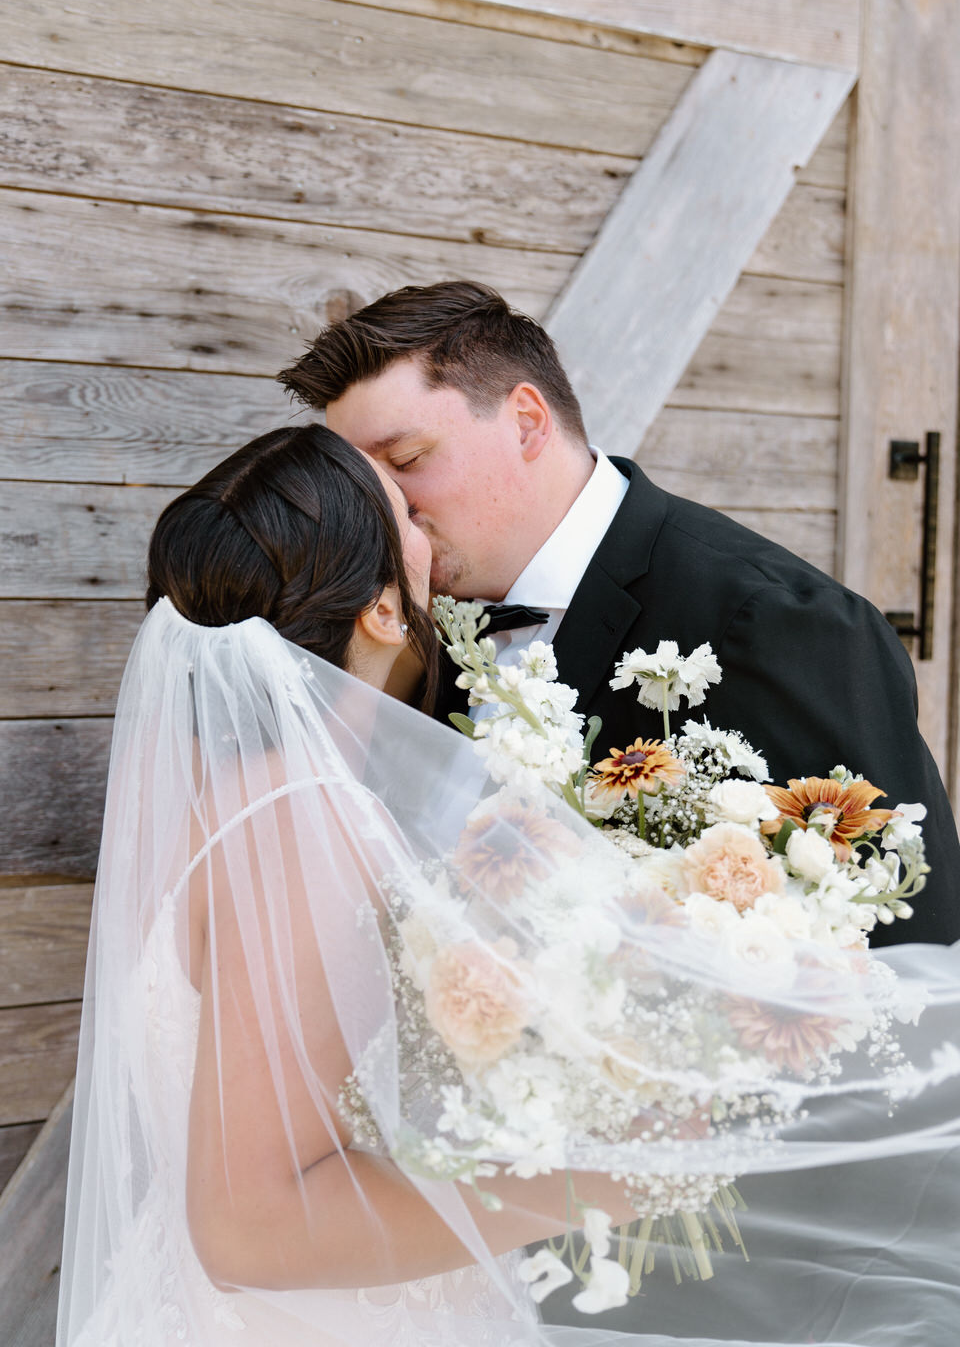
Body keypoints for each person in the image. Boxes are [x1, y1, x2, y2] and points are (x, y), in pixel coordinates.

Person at [59, 424, 960, 1347]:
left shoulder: (252, 798)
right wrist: (610, 1173)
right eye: (407, 512)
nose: (434, 527)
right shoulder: (294, 822)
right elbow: (248, 1229)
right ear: (379, 610)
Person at [278, 280, 960, 949]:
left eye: (406, 461)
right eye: (363, 485)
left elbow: (908, 950)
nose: (384, 510)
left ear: (526, 423)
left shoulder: (775, 622)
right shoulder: (410, 626)